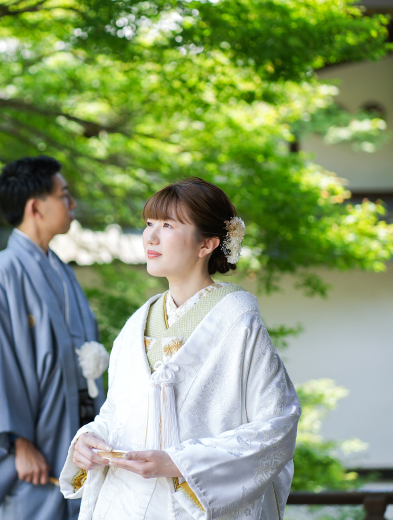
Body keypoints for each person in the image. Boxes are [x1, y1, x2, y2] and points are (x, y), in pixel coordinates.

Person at [59, 178, 301, 520]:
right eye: (149, 223)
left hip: (190, 505)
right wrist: (90, 439)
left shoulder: (237, 319)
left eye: (168, 225)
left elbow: (276, 424)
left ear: (207, 244)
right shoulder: (138, 322)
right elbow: (117, 414)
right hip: (127, 501)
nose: (150, 236)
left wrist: (180, 462)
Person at [0, 156, 106, 520]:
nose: (72, 204)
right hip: (34, 449)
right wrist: (17, 444)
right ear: (35, 207)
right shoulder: (3, 272)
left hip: (73, 436)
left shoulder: (62, 271)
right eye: (64, 195)